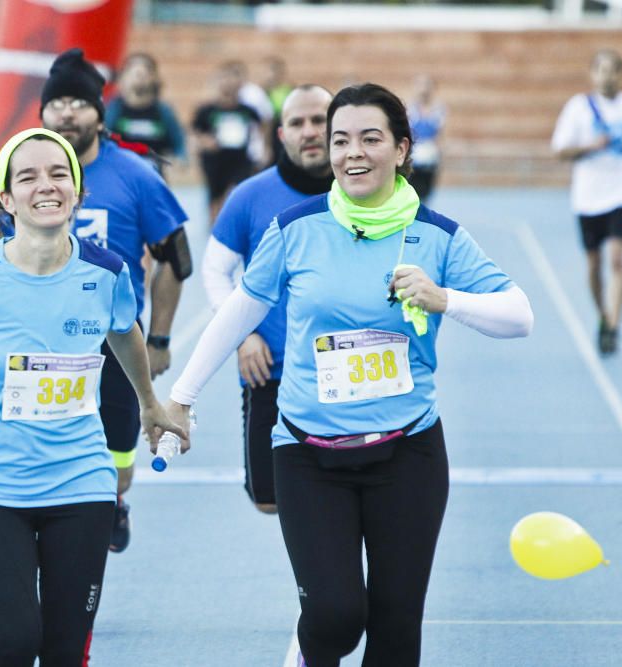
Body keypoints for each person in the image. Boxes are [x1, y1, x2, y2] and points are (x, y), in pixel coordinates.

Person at [166, 83, 533, 666]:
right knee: (335, 615)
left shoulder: (438, 236)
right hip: (309, 455)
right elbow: (240, 308)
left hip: (408, 453)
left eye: (370, 138)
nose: (351, 152)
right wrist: (180, 398)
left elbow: (520, 316)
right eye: (341, 140)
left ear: (402, 149)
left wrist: (446, 300)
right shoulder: (294, 229)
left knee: (394, 629)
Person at [0, 128, 184, 666]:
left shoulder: (106, 273)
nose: (46, 186)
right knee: (13, 643)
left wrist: (149, 402)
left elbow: (124, 329)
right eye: (27, 177)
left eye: (59, 174)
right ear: (5, 200)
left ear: (77, 191)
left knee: (62, 651)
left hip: (80, 481)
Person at [0, 48, 192, 553]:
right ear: (43, 112)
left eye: (79, 101)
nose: (67, 112)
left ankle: (112, 502)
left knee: (117, 461)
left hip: (111, 343)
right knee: (34, 457)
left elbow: (176, 261)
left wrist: (157, 337)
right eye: (58, 103)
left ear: (100, 111)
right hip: (32, 342)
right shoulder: (17, 172)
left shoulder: (136, 176)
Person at [202, 85, 333, 514]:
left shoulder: (365, 194)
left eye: (320, 120)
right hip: (270, 372)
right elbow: (214, 270)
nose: (309, 131)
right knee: (268, 500)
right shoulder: (250, 196)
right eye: (297, 123)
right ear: (281, 134)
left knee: (346, 489)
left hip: (345, 372)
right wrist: (242, 334)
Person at [552, 49, 622, 356]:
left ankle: (614, 326)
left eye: (613, 70)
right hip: (589, 195)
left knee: (617, 260)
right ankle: (603, 316)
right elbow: (560, 151)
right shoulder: (578, 109)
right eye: (601, 70)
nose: (607, 76)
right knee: (594, 264)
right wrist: (590, 146)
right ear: (592, 74)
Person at [192, 61, 263, 223]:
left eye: (234, 78)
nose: (229, 83)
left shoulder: (247, 110)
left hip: (240, 159)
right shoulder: (207, 110)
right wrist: (205, 142)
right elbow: (195, 133)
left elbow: (262, 125)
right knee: (215, 197)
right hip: (215, 161)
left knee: (237, 192)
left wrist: (263, 149)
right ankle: (214, 229)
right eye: (224, 78)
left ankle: (235, 224)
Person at [104, 52, 187, 174]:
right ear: (123, 77)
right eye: (133, 71)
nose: (140, 74)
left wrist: (180, 160)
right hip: (121, 175)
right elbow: (102, 140)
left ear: (155, 78)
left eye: (146, 70)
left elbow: (178, 143)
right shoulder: (114, 108)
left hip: (154, 176)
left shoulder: (163, 111)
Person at [406, 74, 445, 204]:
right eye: (420, 85)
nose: (424, 89)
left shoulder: (438, 110)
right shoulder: (410, 110)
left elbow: (440, 136)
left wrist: (440, 159)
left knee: (426, 195)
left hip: (430, 157)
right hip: (414, 158)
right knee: (412, 194)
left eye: (427, 85)